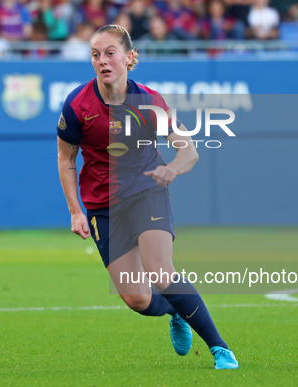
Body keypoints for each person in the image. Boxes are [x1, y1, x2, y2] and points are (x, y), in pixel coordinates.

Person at [56, 24, 239, 370]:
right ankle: (176, 310)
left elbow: (189, 151)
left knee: (161, 271)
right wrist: (75, 211)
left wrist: (173, 168)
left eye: (110, 53)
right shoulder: (77, 105)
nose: (102, 61)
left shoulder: (150, 102)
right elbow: (66, 159)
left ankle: (220, 349)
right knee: (137, 298)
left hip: (146, 192)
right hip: (102, 205)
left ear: (129, 57)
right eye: (96, 54)